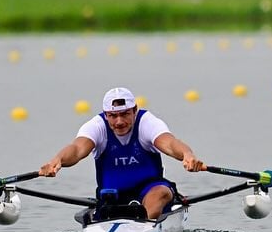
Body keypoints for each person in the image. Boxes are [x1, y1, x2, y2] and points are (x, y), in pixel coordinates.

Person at [39, 87, 204, 220]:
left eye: (125, 114)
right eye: (113, 116)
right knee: (109, 201)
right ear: (106, 115)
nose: (119, 121)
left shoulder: (147, 123)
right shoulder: (96, 126)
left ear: (134, 111)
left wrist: (187, 154)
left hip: (150, 190)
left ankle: (145, 225)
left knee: (160, 192)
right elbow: (77, 149)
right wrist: (58, 160)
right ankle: (132, 223)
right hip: (112, 195)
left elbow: (169, 143)